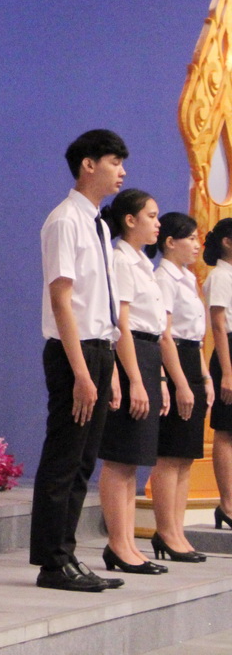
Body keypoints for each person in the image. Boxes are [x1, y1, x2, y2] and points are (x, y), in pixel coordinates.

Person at [30, 128, 128, 592]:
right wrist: (82, 373)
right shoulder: (65, 220)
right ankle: (52, 562)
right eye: (114, 162)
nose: (122, 172)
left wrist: (109, 367)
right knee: (64, 457)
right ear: (88, 164)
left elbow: (100, 302)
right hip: (75, 352)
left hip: (98, 348)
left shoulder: (99, 224)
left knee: (84, 460)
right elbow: (61, 299)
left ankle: (67, 553)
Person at [96, 189, 168, 575]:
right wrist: (135, 380)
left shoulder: (141, 261)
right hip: (130, 356)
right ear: (130, 220)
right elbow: (122, 323)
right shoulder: (121, 259)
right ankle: (118, 543)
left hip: (147, 354)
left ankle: (127, 543)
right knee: (120, 457)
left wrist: (159, 377)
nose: (158, 223)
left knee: (133, 460)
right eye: (151, 216)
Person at [148, 212, 208, 562]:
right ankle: (165, 531)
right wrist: (181, 383)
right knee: (170, 454)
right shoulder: (164, 278)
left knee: (186, 456)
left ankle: (178, 530)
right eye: (191, 238)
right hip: (174, 366)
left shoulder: (187, 277)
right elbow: (166, 335)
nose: (197, 245)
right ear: (170, 242)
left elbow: (196, 338)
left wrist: (205, 377)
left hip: (191, 360)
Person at [203, 217, 232, 531]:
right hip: (229, 353)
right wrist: (227, 372)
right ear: (227, 241)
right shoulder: (220, 276)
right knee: (226, 430)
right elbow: (219, 325)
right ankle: (227, 504)